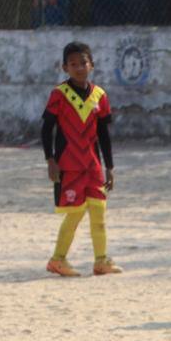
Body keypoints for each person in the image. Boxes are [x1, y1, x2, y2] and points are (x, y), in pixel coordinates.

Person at [42, 41, 121, 277]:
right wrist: (50, 160)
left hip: (92, 165)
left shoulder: (100, 96)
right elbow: (47, 129)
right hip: (69, 164)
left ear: (92, 65)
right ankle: (57, 259)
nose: (79, 68)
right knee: (75, 213)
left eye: (83, 63)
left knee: (99, 212)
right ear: (65, 67)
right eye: (73, 64)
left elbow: (104, 135)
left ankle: (101, 261)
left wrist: (110, 167)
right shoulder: (59, 94)